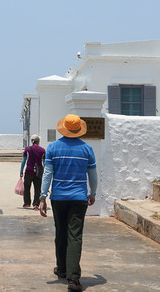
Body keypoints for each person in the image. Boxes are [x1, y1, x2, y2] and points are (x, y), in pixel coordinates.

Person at [39, 114, 98, 292]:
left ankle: (62, 268)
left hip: (58, 198)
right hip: (79, 197)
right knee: (75, 236)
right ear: (78, 129)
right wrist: (92, 193)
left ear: (63, 128)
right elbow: (93, 176)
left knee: (61, 232)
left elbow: (47, 173)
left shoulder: (53, 148)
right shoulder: (87, 149)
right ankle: (73, 278)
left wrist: (42, 197)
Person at [19, 134, 46, 209]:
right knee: (37, 188)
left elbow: (24, 160)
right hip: (38, 172)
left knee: (27, 187)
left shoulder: (27, 149)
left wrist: (21, 171)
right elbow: (44, 162)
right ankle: (36, 204)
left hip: (29, 171)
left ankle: (27, 203)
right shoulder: (42, 150)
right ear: (38, 141)